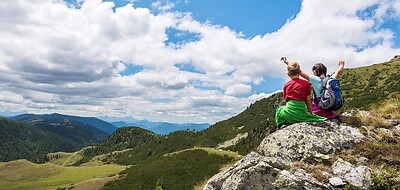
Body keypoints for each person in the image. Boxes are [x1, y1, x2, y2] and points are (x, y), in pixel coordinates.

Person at [281, 57, 345, 119]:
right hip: (327, 105)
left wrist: (288, 63)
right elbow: (337, 72)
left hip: (319, 105)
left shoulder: (316, 79)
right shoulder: (331, 79)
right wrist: (341, 66)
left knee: (306, 113)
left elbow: (299, 72)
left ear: (316, 71)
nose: (313, 73)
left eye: (313, 71)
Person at [275, 61, 327, 127]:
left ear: (288, 74)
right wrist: (311, 113)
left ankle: (281, 124)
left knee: (279, 108)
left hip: (288, 114)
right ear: (299, 73)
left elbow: (287, 100)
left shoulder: (286, 85)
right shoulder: (306, 84)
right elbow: (308, 101)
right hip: (301, 114)